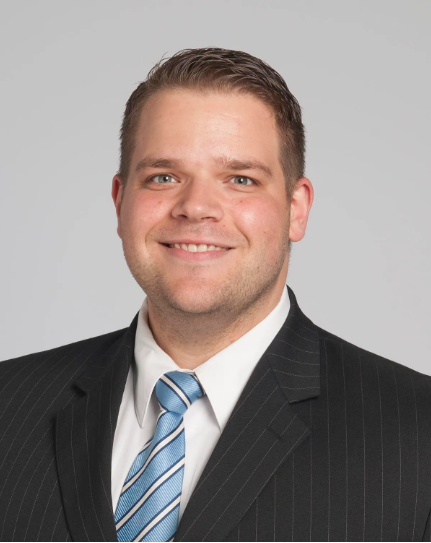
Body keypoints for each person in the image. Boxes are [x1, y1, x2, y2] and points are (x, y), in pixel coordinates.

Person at [0, 47, 430, 543]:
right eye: (163, 177)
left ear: (296, 209)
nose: (196, 207)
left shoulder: (417, 436)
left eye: (240, 180)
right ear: (120, 202)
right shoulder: (9, 406)